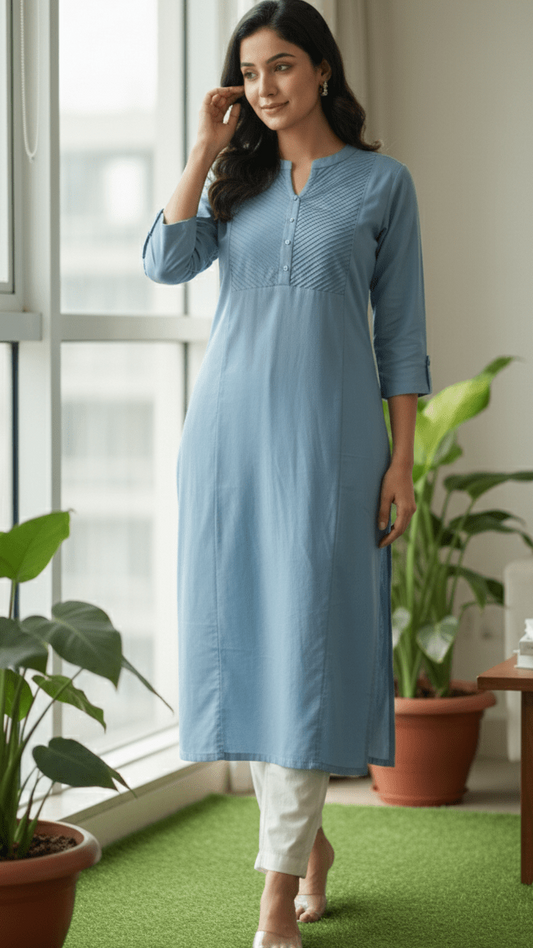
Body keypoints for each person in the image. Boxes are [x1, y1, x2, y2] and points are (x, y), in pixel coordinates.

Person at [142, 1, 432, 945]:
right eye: (250, 72)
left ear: (320, 70)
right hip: (227, 444)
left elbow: (403, 337)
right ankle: (304, 852)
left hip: (332, 445)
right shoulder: (236, 184)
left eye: (281, 68)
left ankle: (273, 896)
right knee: (257, 647)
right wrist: (202, 148)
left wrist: (402, 461)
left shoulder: (383, 185)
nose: (265, 88)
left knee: (304, 647)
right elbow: (162, 261)